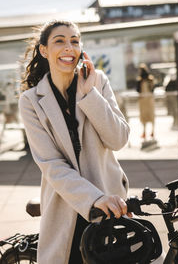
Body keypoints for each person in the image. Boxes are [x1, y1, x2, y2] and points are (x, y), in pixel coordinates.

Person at [18, 20, 131, 264]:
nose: (69, 47)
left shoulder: (97, 81)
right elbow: (51, 164)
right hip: (66, 208)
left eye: (75, 41)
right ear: (44, 50)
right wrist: (93, 198)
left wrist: (90, 95)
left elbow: (119, 139)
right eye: (60, 41)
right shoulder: (30, 101)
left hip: (111, 201)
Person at [136, 63, 155, 140]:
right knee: (151, 115)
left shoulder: (140, 80)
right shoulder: (150, 79)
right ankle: (152, 131)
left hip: (143, 100)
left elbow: (138, 90)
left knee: (144, 116)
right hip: (149, 99)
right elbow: (153, 89)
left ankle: (145, 132)